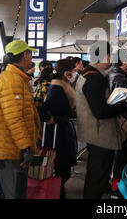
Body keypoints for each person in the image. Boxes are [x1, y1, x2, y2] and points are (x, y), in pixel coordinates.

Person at [0, 40, 41, 199]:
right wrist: (25, 147)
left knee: (12, 191)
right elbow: (14, 118)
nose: (31, 58)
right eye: (30, 54)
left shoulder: (14, 78)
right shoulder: (12, 81)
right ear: (25, 55)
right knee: (14, 193)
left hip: (9, 146)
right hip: (11, 149)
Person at [75, 41, 127, 199]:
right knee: (97, 179)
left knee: (95, 176)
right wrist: (123, 105)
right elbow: (100, 111)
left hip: (94, 133)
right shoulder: (95, 78)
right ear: (105, 56)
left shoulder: (87, 74)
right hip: (100, 135)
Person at [41, 59, 77, 199]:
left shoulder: (63, 86)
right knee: (61, 169)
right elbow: (43, 109)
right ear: (66, 73)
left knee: (63, 169)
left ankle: (58, 193)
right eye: (73, 71)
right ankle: (57, 194)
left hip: (62, 130)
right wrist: (49, 118)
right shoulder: (57, 88)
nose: (75, 73)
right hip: (58, 135)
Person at [108, 50, 127, 192]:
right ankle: (118, 187)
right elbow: (123, 103)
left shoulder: (111, 74)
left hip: (113, 121)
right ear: (124, 61)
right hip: (124, 121)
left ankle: (115, 184)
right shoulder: (122, 79)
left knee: (117, 154)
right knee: (123, 154)